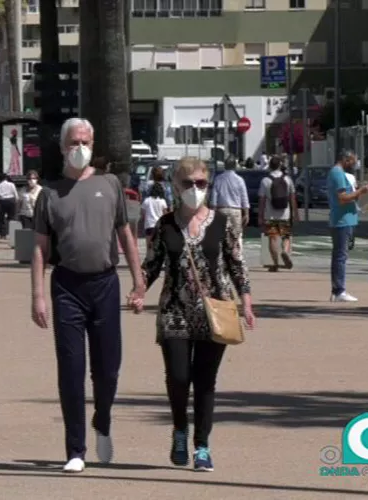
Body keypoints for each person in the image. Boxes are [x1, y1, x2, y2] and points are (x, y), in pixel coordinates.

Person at [31, 117, 146, 473]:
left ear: (93, 144)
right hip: (67, 286)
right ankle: (75, 449)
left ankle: (103, 419)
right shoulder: (49, 194)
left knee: (107, 370)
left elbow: (125, 235)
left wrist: (139, 280)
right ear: (63, 147)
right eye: (72, 143)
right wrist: (38, 295)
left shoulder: (110, 184)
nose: (79, 148)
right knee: (71, 369)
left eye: (84, 142)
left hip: (106, 284)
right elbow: (39, 248)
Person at [143, 156, 255, 472]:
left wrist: (246, 299)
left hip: (215, 310)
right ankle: (180, 429)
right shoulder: (165, 225)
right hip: (174, 311)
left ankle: (202, 446)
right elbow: (152, 264)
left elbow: (237, 263)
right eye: (188, 183)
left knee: (205, 381)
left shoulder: (222, 222)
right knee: (179, 378)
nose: (195, 189)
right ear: (175, 186)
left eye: (201, 183)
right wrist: (139, 290)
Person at [327, 150, 368, 302]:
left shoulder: (338, 173)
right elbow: (343, 198)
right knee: (340, 256)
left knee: (339, 255)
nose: (355, 164)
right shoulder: (338, 174)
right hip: (342, 220)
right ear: (346, 160)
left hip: (344, 219)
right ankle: (339, 290)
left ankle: (336, 289)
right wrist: (360, 192)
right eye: (353, 161)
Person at [258, 156, 297, 270]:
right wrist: (295, 213)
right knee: (286, 236)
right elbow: (292, 198)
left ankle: (275, 264)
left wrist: (260, 216)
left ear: (269, 166)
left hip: (270, 214)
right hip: (285, 214)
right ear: (280, 165)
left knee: (272, 238)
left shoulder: (265, 181)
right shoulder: (287, 179)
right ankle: (284, 251)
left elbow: (262, 200)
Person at [209, 156, 249, 248]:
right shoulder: (239, 180)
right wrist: (246, 214)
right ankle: (237, 257)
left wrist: (212, 212)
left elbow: (214, 199)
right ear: (235, 166)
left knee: (221, 236)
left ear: (225, 166)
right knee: (236, 236)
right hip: (235, 210)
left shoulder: (218, 179)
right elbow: (244, 198)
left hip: (221, 210)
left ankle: (223, 258)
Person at [141, 182, 169, 260]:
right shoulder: (162, 201)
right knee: (159, 245)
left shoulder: (147, 201)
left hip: (149, 225)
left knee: (149, 246)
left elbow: (142, 214)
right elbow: (165, 214)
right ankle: (158, 261)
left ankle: (149, 260)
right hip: (159, 226)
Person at [0, 174, 18, 239]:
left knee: (1, 219)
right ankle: (12, 234)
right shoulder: (11, 184)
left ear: (0, 179)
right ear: (6, 178)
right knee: (12, 218)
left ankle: (3, 235)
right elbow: (15, 194)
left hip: (2, 202)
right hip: (11, 201)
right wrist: (17, 202)